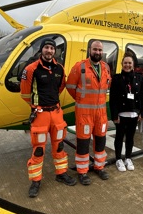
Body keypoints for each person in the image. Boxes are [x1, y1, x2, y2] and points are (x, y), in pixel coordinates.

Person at [20, 38, 76, 198]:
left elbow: (60, 87)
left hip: (57, 113)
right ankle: (36, 181)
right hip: (40, 115)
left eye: (52, 48)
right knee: (38, 149)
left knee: (59, 146)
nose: (49, 51)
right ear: (42, 50)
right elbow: (24, 94)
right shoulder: (31, 69)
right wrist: (37, 105)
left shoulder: (59, 68)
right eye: (46, 48)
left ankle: (61, 173)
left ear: (54, 51)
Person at [66, 40, 111, 185]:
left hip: (101, 114)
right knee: (83, 144)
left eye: (100, 50)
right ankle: (82, 171)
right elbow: (71, 87)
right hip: (84, 114)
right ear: (89, 50)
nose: (97, 52)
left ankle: (99, 167)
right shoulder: (79, 67)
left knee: (100, 142)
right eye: (95, 49)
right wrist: (81, 100)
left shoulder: (105, 67)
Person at [109, 52, 143, 172]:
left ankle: (128, 158)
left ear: (133, 64)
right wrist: (114, 115)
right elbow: (113, 99)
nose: (127, 65)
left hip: (134, 113)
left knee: (130, 137)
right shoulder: (116, 78)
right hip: (121, 114)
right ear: (122, 64)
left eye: (129, 63)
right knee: (119, 137)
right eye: (125, 63)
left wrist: (142, 112)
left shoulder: (140, 78)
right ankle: (118, 159)